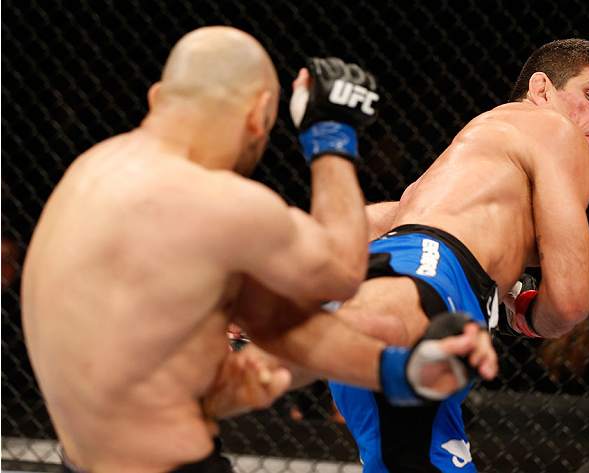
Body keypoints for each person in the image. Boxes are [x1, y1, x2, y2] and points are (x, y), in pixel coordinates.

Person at [21, 27, 488, 473]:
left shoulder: (88, 172)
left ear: (158, 96)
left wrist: (401, 371)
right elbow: (344, 271)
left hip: (80, 459)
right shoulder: (218, 201)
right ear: (257, 114)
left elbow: (278, 326)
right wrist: (331, 136)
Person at [318, 38, 589, 472]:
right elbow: (572, 301)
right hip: (430, 294)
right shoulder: (557, 133)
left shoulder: (461, 165)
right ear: (542, 91)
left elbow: (384, 227)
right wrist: (527, 313)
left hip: (382, 289)